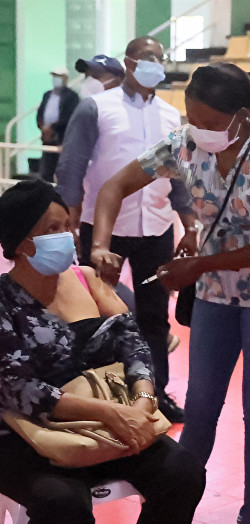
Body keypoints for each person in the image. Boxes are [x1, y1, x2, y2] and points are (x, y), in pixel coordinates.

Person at [90, 62, 250, 524]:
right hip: (215, 294)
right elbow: (115, 186)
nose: (200, 131)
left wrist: (198, 266)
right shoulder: (185, 145)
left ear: (243, 116)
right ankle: (173, 512)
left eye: (211, 123)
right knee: (200, 405)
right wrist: (99, 245)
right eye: (193, 120)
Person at [0, 179, 205, 524]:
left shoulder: (86, 279)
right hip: (28, 434)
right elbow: (18, 388)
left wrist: (141, 402)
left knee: (183, 472)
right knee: (63, 504)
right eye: (51, 229)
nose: (66, 236)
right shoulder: (5, 301)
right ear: (20, 243)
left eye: (67, 225)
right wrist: (109, 412)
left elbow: (133, 344)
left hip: (107, 426)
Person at [56, 36, 198, 423]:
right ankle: (99, 392)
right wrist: (69, 218)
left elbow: (179, 175)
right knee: (98, 314)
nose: (155, 64)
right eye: (147, 57)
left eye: (160, 58)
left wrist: (188, 220)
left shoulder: (171, 115)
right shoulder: (96, 107)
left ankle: (156, 393)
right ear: (129, 61)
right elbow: (72, 165)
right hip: (103, 227)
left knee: (154, 316)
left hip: (156, 226)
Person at [36, 66, 79, 182]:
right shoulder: (47, 95)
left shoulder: (72, 96)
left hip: (62, 138)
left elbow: (70, 117)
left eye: (58, 76)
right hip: (47, 138)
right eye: (54, 76)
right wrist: (43, 128)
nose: (55, 79)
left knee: (63, 171)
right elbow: (40, 113)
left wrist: (53, 127)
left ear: (65, 78)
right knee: (46, 169)